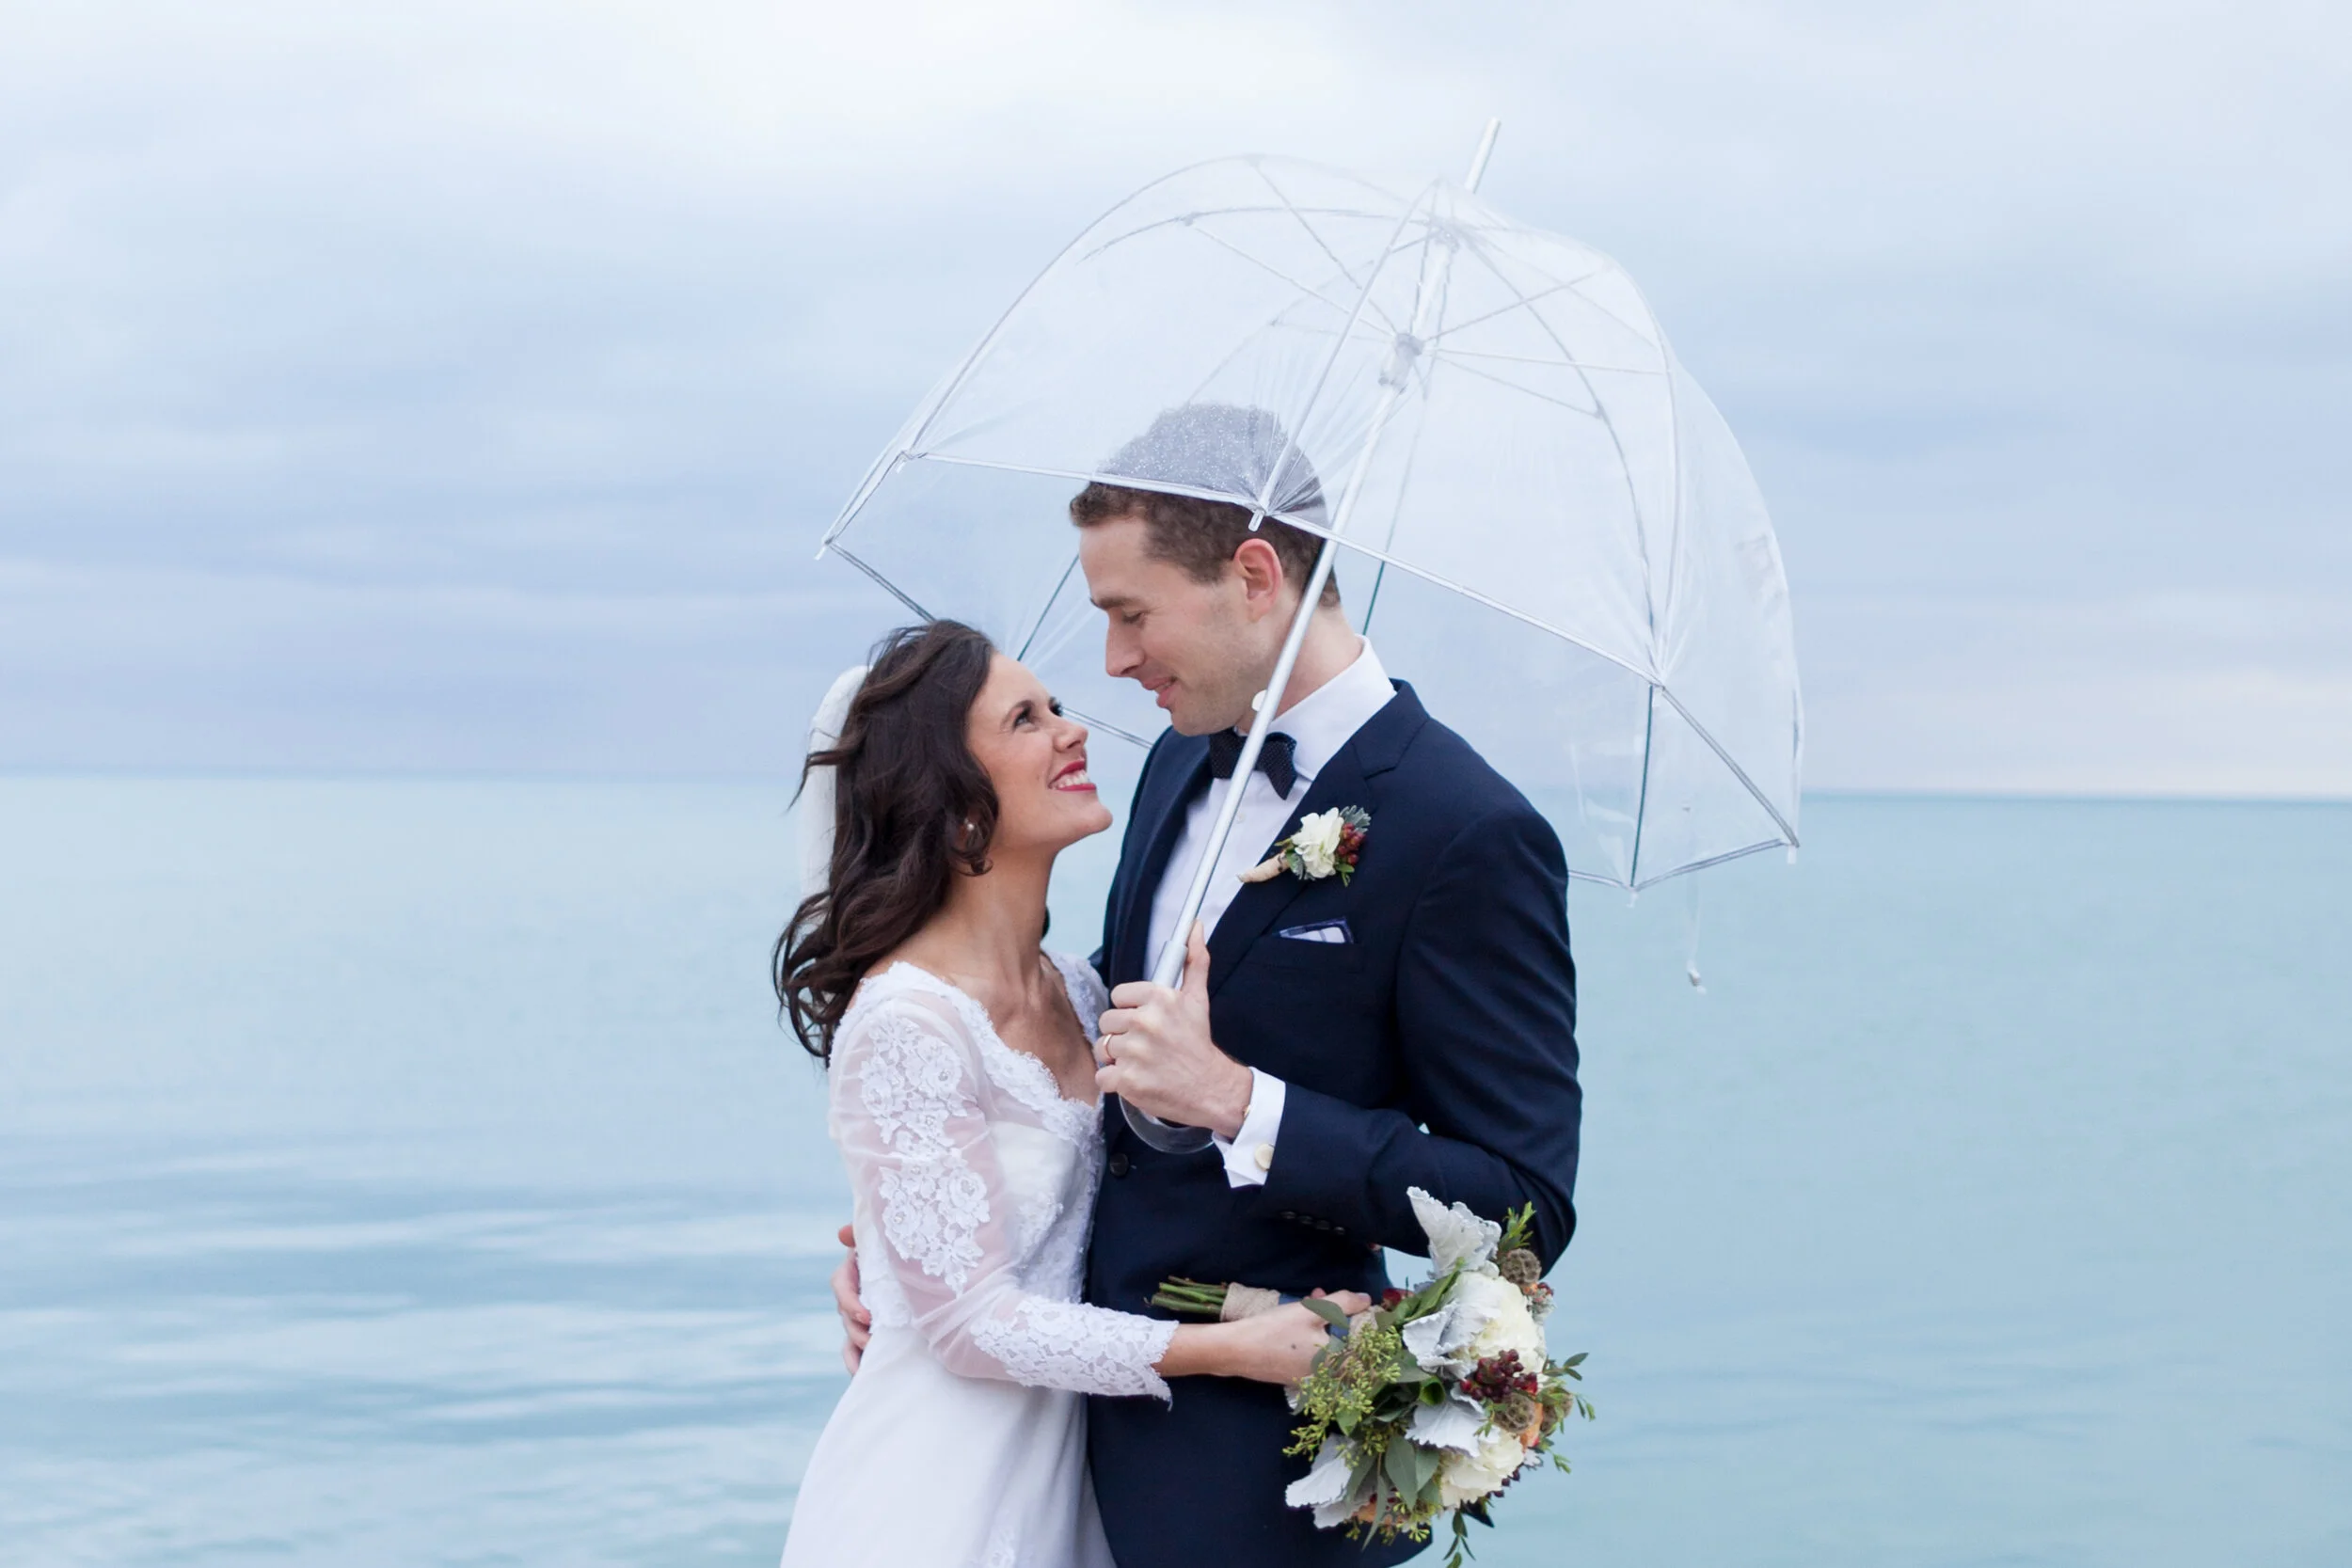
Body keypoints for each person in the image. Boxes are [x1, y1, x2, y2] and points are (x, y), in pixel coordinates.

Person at [831, 404, 1586, 1568]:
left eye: (1130, 613)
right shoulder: (1180, 758)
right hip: (1038, 1449)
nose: (1113, 660)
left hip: (1249, 1486)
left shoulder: (1467, 831)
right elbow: (1063, 1045)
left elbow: (1522, 1205)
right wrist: (914, 1249)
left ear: (1253, 575)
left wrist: (1243, 1103)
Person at [774, 618, 1368, 1568]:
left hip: (1076, 1474)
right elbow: (968, 1323)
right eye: (1026, 719)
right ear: (956, 808)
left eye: (1052, 706)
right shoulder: (906, 1023)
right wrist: (1237, 1347)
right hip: (935, 1488)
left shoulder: (1082, 991)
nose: (1073, 727)